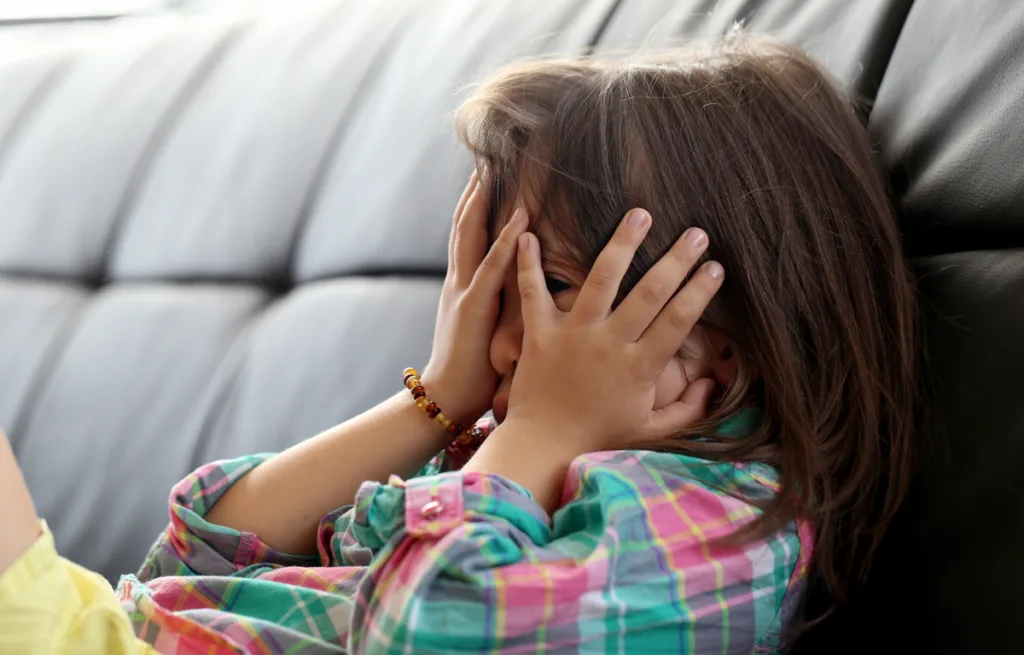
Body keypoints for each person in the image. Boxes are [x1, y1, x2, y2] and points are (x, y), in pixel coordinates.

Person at [0, 34, 918, 654]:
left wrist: (542, 432)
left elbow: (424, 630)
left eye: (549, 288)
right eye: (492, 277)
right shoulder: (513, 456)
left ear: (719, 349)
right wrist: (435, 395)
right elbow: (192, 556)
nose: (507, 335)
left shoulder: (716, 527)